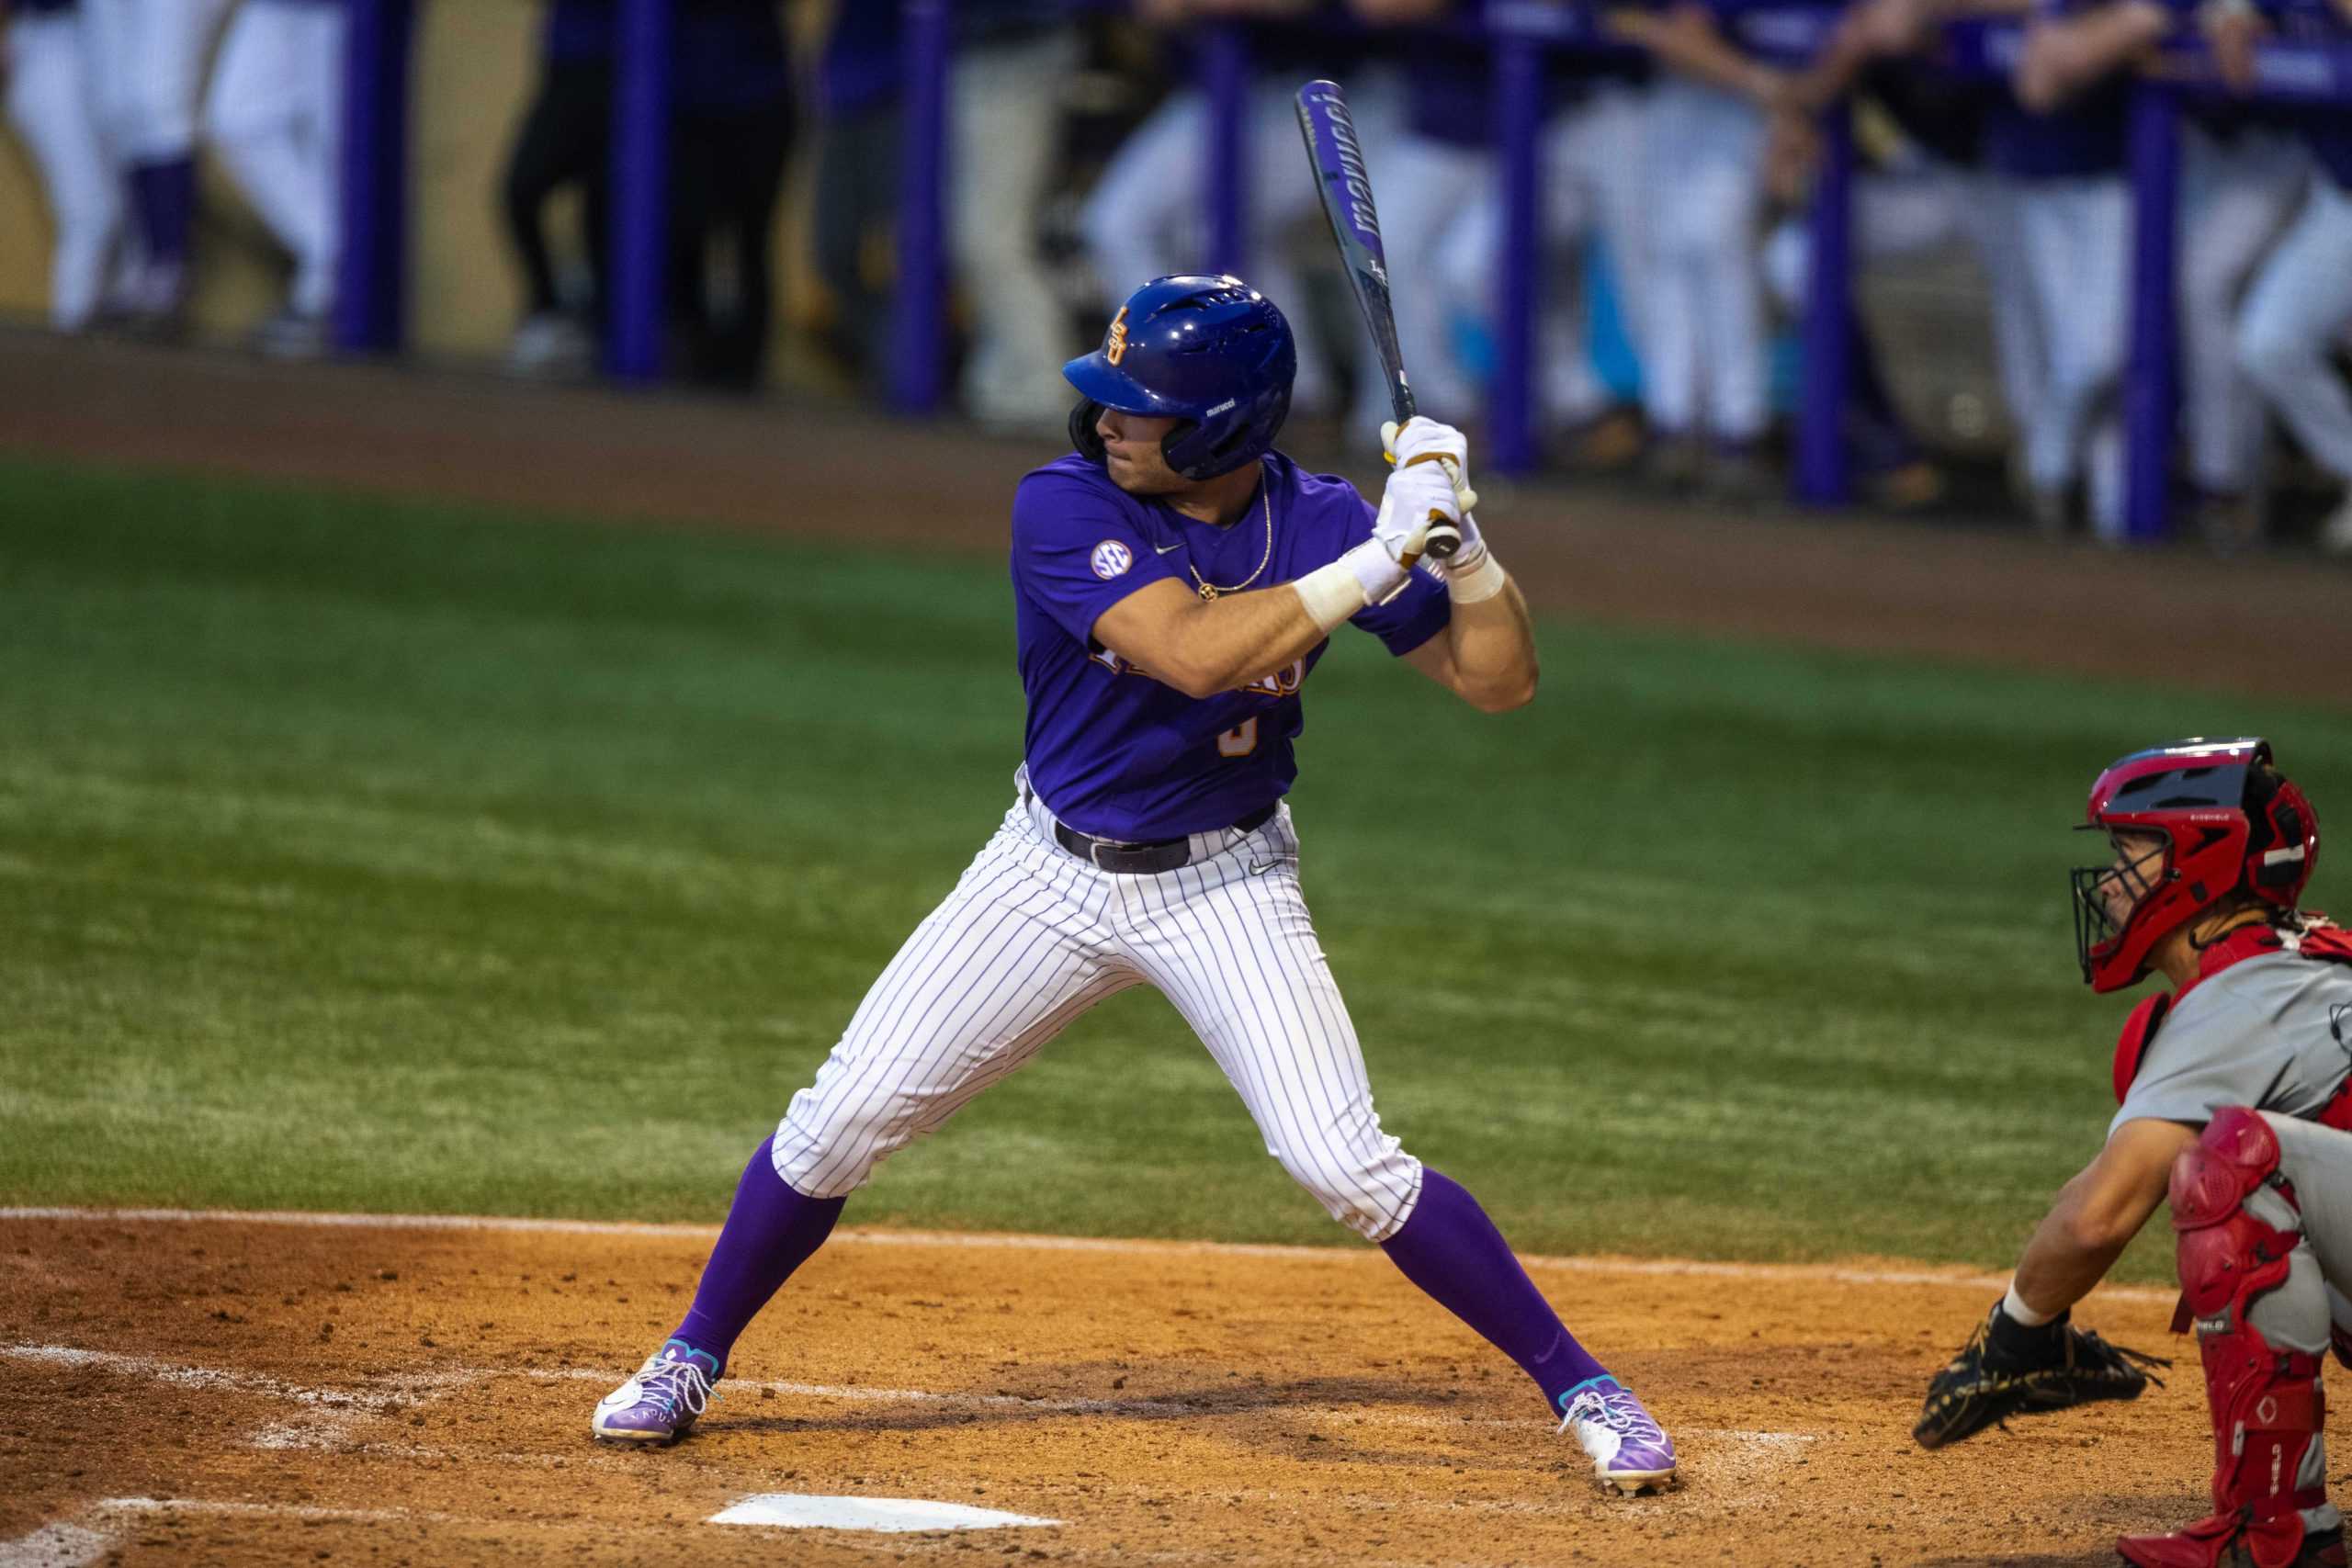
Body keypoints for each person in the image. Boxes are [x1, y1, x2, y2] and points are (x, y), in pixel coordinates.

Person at [586, 273, 1679, 1495]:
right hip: (1045, 876)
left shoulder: (1315, 518)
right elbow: (1196, 655)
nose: (1109, 418)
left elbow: (1500, 682)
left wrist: (1467, 553)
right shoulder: (1062, 504)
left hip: (1226, 883)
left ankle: (1586, 1384)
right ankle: (690, 1350)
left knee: (1346, 1162)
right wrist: (1385, 551)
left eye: (1140, 403)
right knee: (839, 1119)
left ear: (1219, 423)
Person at [1914, 738, 2351, 1568]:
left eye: (2131, 854)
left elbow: (2099, 1215)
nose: (2111, 883)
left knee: (2237, 1165)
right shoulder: (2308, 965)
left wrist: (2016, 1333)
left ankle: (2271, 1535)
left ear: (2201, 866)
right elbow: (2101, 1184)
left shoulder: (2239, 997)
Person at [203, 0, 347, 357]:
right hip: (276, 7)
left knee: (337, 143)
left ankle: (323, 291)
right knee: (237, 120)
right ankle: (333, 257)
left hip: (346, 12)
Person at [500, 0, 614, 378]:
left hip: (627, 70)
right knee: (520, 189)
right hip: (564, 72)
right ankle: (548, 307)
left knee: (603, 212)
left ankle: (598, 324)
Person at [3, 0, 124, 333]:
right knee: (92, 213)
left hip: (97, 43)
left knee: (120, 214)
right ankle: (69, 340)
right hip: (48, 44)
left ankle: (90, 342)